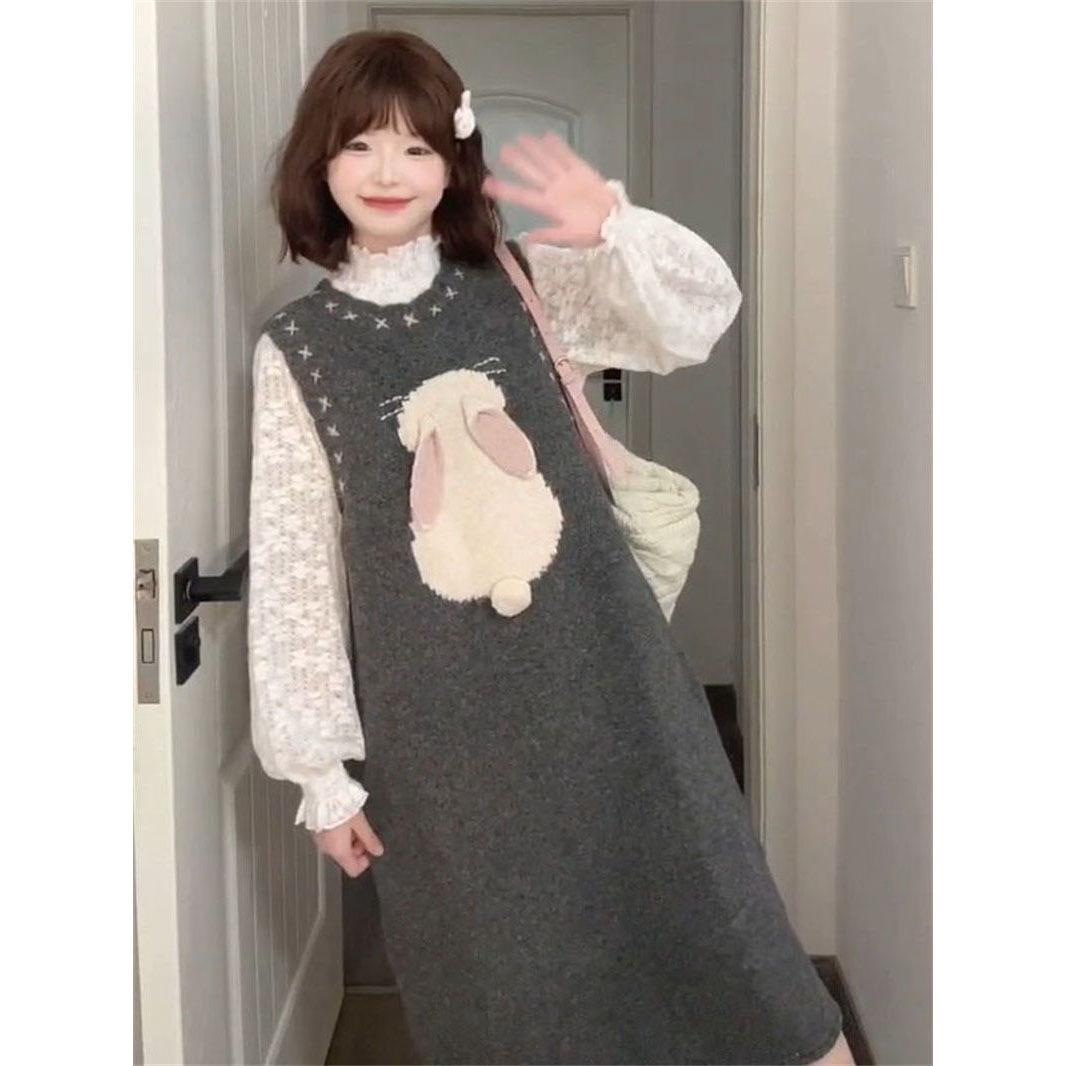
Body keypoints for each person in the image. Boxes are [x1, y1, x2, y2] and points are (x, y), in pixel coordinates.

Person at [248, 27, 854, 1066]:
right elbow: (295, 565)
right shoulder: (298, 350)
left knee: (729, 941)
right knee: (508, 993)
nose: (388, 171)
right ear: (321, 161)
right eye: (360, 145)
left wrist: (615, 227)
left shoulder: (519, 281)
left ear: (453, 163)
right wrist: (322, 775)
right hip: (442, 739)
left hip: (610, 684)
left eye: (416, 146)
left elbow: (694, 320)